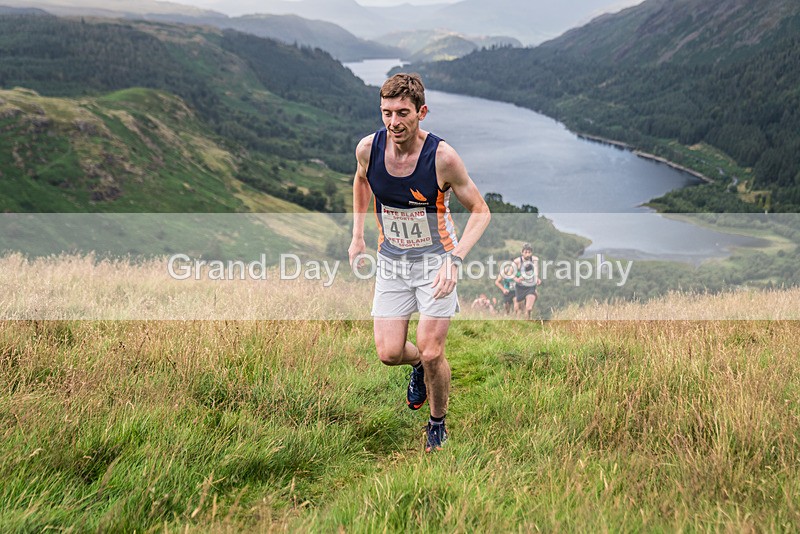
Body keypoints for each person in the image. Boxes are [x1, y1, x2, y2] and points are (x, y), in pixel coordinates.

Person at [348, 73, 490, 453]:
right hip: (392, 260)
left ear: (421, 112)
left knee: (431, 350)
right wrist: (358, 234)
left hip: (437, 263)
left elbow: (480, 211)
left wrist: (455, 259)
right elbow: (361, 181)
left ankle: (437, 422)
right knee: (389, 353)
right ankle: (418, 370)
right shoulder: (368, 149)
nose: (394, 122)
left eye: (403, 113)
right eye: (386, 112)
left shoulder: (442, 158)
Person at [512, 242, 540, 320]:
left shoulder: (534, 259)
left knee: (528, 308)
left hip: (531, 286)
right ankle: (519, 322)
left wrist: (537, 278)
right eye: (526, 252)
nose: (528, 254)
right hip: (520, 287)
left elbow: (536, 269)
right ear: (522, 252)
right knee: (518, 309)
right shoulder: (517, 261)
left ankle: (528, 321)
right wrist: (516, 279)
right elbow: (510, 273)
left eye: (529, 252)